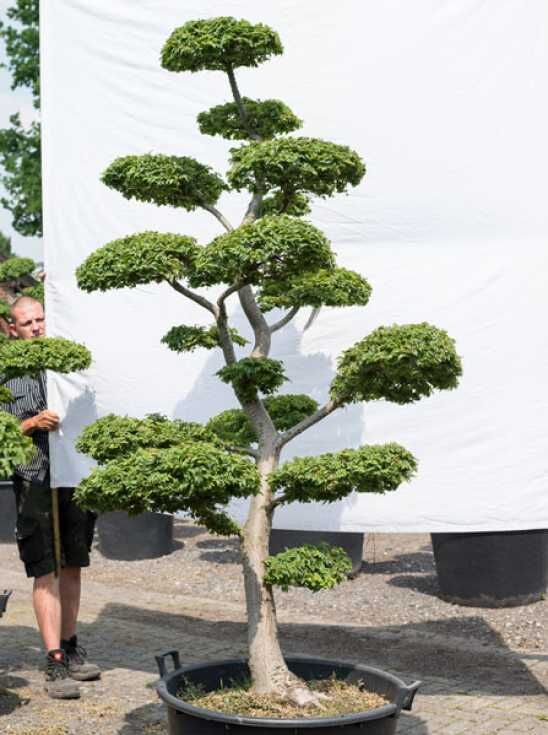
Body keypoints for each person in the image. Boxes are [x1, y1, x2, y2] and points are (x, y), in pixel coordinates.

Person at [0, 296, 100, 699]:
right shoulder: (6, 372)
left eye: (41, 319)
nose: (37, 327)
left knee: (73, 564)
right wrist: (30, 424)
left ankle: (71, 646)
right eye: (28, 323)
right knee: (46, 568)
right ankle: (54, 659)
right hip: (33, 477)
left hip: (73, 475)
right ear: (12, 328)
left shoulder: (67, 363)